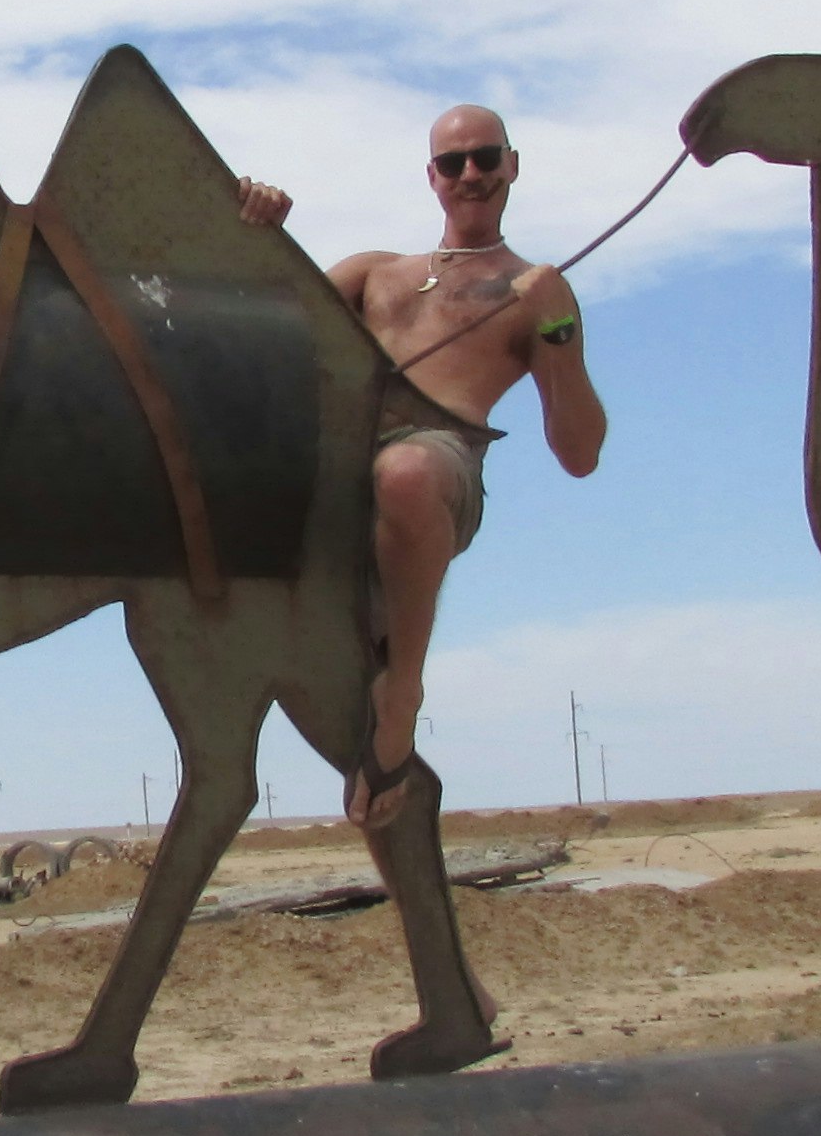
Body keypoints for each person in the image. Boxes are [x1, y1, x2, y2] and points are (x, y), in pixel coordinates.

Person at [234, 105, 604, 827]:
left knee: (403, 472)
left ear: (513, 164)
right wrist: (255, 225)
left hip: (440, 465)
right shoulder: (376, 273)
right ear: (431, 178)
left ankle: (401, 693)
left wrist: (557, 325)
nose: (471, 174)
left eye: (486, 158)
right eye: (453, 163)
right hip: (337, 467)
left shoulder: (539, 294)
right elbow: (264, 318)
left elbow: (581, 454)